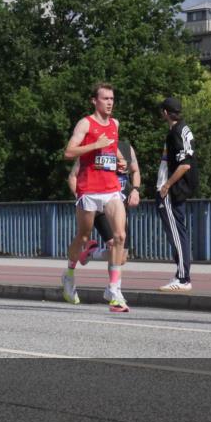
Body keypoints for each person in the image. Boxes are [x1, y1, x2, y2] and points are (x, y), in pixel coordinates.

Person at [62, 83, 130, 312]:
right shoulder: (85, 123)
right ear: (94, 101)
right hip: (89, 189)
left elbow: (111, 147)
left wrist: (120, 159)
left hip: (111, 188)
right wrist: (95, 145)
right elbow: (69, 152)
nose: (110, 102)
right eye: (105, 98)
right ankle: (69, 273)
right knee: (83, 236)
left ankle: (114, 289)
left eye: (112, 98)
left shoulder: (115, 124)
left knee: (120, 236)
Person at [67, 137, 140, 267]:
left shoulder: (127, 148)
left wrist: (135, 190)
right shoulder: (95, 149)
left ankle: (92, 253)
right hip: (100, 207)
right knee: (113, 245)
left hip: (120, 207)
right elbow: (73, 176)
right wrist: (81, 197)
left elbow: (135, 171)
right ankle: (113, 286)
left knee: (122, 257)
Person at [156, 97, 199, 292]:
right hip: (180, 188)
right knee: (178, 231)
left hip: (173, 190)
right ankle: (181, 274)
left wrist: (166, 185)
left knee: (176, 233)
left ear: (165, 113)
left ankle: (183, 277)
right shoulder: (184, 129)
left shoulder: (175, 132)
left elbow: (185, 164)